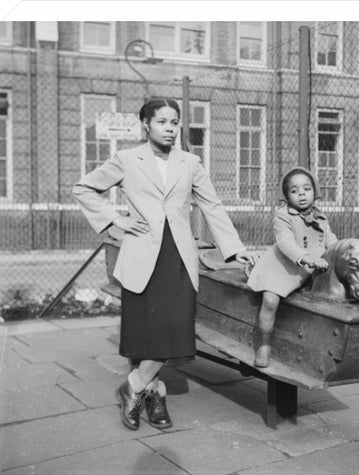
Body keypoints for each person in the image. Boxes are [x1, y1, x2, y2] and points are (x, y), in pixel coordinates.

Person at [73, 97, 255, 431]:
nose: (170, 129)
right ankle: (155, 395)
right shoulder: (127, 159)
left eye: (174, 122)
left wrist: (234, 249)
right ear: (146, 124)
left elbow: (211, 204)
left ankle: (133, 387)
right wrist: (116, 221)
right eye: (162, 122)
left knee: (175, 330)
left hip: (179, 258)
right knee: (148, 334)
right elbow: (84, 189)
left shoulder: (189, 162)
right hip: (142, 256)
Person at [247, 167, 338, 367]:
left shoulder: (321, 218)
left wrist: (342, 250)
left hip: (308, 270)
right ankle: (264, 344)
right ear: (287, 196)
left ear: (315, 192)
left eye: (306, 189)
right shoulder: (282, 216)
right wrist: (307, 258)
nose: (302, 194)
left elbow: (331, 242)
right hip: (281, 267)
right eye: (295, 191)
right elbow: (285, 243)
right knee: (270, 300)